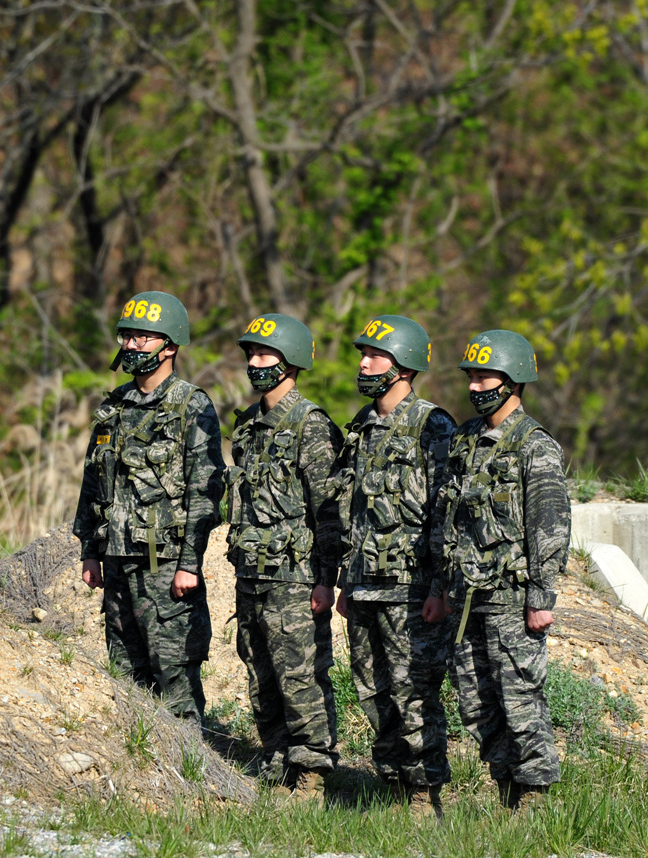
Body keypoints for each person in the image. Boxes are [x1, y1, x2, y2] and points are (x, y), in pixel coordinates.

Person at [73, 291, 225, 724]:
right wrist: (90, 549)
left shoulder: (191, 405)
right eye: (128, 337)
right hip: (117, 561)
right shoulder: (114, 406)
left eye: (144, 338)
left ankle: (191, 772)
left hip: (165, 566)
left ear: (170, 345)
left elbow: (204, 492)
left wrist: (189, 565)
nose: (133, 346)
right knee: (124, 675)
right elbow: (93, 481)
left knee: (174, 675)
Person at [440, 329, 570, 810]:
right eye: (471, 377)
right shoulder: (467, 440)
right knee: (476, 704)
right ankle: (506, 794)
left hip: (513, 601)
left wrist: (542, 595)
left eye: (485, 377)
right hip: (467, 597)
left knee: (521, 701)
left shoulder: (534, 445)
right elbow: (449, 518)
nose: (475, 387)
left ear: (514, 379)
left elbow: (550, 525)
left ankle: (535, 801)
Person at [334, 314, 457, 817]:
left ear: (404, 365)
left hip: (411, 589)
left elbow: (445, 514)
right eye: (363, 354)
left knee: (415, 693)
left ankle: (426, 795)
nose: (364, 363)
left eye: (376, 356)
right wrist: (344, 579)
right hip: (364, 585)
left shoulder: (433, 425)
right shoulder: (361, 427)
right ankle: (391, 787)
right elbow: (350, 512)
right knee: (372, 690)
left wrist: (439, 588)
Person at [227, 313, 342, 798]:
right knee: (260, 671)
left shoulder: (310, 425)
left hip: (295, 578)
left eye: (265, 354)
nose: (255, 363)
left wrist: (326, 579)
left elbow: (328, 512)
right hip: (251, 572)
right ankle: (277, 765)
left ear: (291, 361)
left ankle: (312, 776)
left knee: (300, 677)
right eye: (250, 354)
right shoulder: (249, 426)